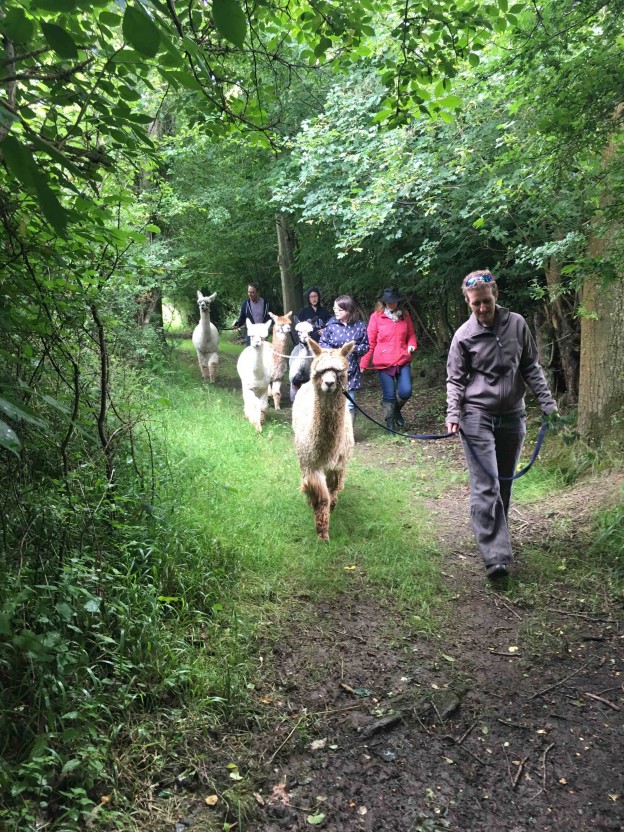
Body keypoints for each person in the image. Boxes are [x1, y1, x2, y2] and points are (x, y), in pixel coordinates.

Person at [445, 270, 558, 581]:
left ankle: (497, 540)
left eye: (486, 301)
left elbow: (530, 367)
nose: (482, 309)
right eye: (475, 304)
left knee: (504, 483)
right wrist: (453, 413)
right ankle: (495, 558)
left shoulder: (517, 324)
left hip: (513, 415)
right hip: (476, 416)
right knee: (487, 484)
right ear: (468, 302)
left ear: (495, 295)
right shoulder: (463, 336)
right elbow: (455, 380)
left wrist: (547, 404)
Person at [360, 287, 417, 431]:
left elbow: (411, 334)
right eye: (388, 302)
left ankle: (396, 410)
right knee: (389, 395)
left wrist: (411, 345)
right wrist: (364, 362)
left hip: (402, 359)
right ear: (383, 302)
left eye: (394, 301)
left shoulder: (404, 315)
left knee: (406, 391)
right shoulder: (376, 317)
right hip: (383, 361)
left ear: (398, 301)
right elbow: (370, 342)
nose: (391, 304)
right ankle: (390, 425)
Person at [319, 295, 369, 428]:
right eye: (334, 309)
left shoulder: (359, 326)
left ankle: (348, 433)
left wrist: (352, 348)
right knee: (332, 402)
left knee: (350, 404)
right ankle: (332, 431)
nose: (336, 312)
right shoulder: (331, 325)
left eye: (339, 310)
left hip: (351, 372)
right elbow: (322, 344)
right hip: (332, 372)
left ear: (348, 310)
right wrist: (335, 351)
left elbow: (365, 346)